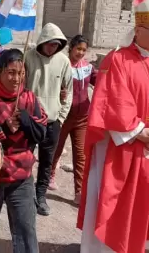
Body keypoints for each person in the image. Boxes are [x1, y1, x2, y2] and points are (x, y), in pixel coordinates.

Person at [77, 0, 149, 253]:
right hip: (126, 148)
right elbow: (113, 100)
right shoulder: (118, 60)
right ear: (138, 29)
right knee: (125, 208)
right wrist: (139, 130)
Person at [0, 49, 47, 253]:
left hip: (21, 177)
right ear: (0, 71)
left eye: (21, 73)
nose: (16, 79)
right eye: (11, 72)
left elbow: (41, 133)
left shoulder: (29, 99)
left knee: (26, 232)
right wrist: (2, 129)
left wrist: (25, 119)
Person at [24, 22, 73, 216]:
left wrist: (61, 117)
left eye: (56, 44)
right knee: (24, 158)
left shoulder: (64, 62)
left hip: (52, 121)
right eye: (50, 43)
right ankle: (24, 195)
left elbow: (68, 92)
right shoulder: (28, 57)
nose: (52, 47)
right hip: (29, 119)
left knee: (46, 162)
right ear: (42, 41)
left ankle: (41, 197)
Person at [50, 35, 96, 205]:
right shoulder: (62, 66)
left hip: (82, 118)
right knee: (56, 148)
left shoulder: (88, 68)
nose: (81, 53)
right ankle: (50, 175)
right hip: (63, 116)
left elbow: (98, 81)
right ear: (71, 48)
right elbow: (53, 85)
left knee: (81, 155)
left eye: (84, 50)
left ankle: (79, 191)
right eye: (78, 49)